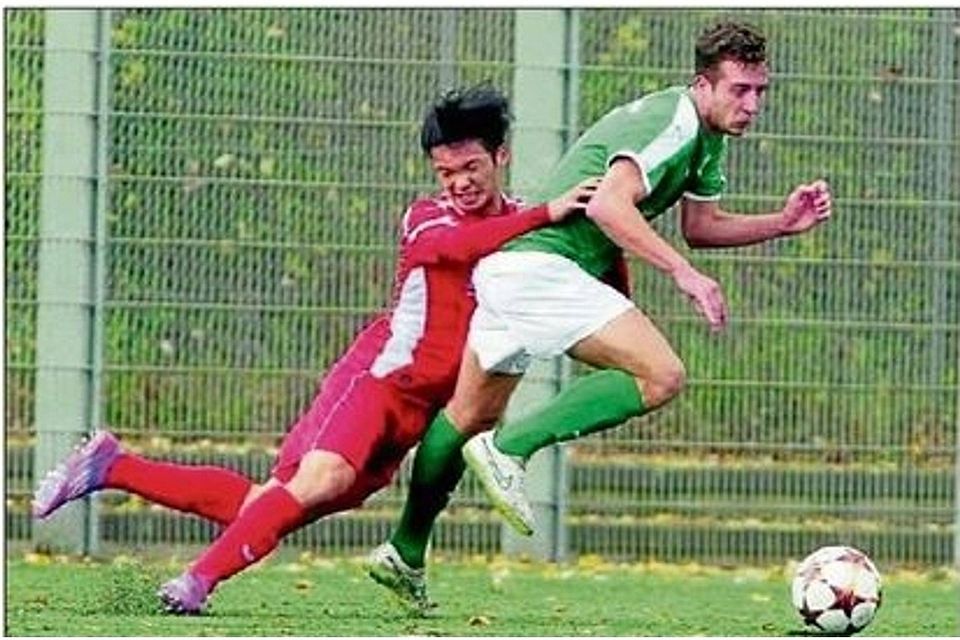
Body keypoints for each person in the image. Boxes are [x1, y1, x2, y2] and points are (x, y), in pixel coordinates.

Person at [31, 84, 600, 615]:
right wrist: (547, 212)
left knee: (272, 502)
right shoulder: (428, 217)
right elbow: (458, 246)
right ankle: (195, 584)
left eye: (470, 167)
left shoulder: (525, 225)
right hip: (377, 383)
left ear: (502, 156)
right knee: (317, 481)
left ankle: (114, 466)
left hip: (418, 418)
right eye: (445, 171)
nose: (458, 183)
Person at [368, 19, 833, 590]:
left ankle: (404, 553)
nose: (752, 103)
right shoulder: (674, 122)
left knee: (467, 415)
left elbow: (702, 225)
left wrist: (782, 224)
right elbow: (611, 207)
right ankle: (511, 449)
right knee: (661, 375)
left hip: (514, 270)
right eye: (740, 89)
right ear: (703, 84)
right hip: (543, 269)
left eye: (761, 90)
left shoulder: (706, 139)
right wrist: (685, 276)